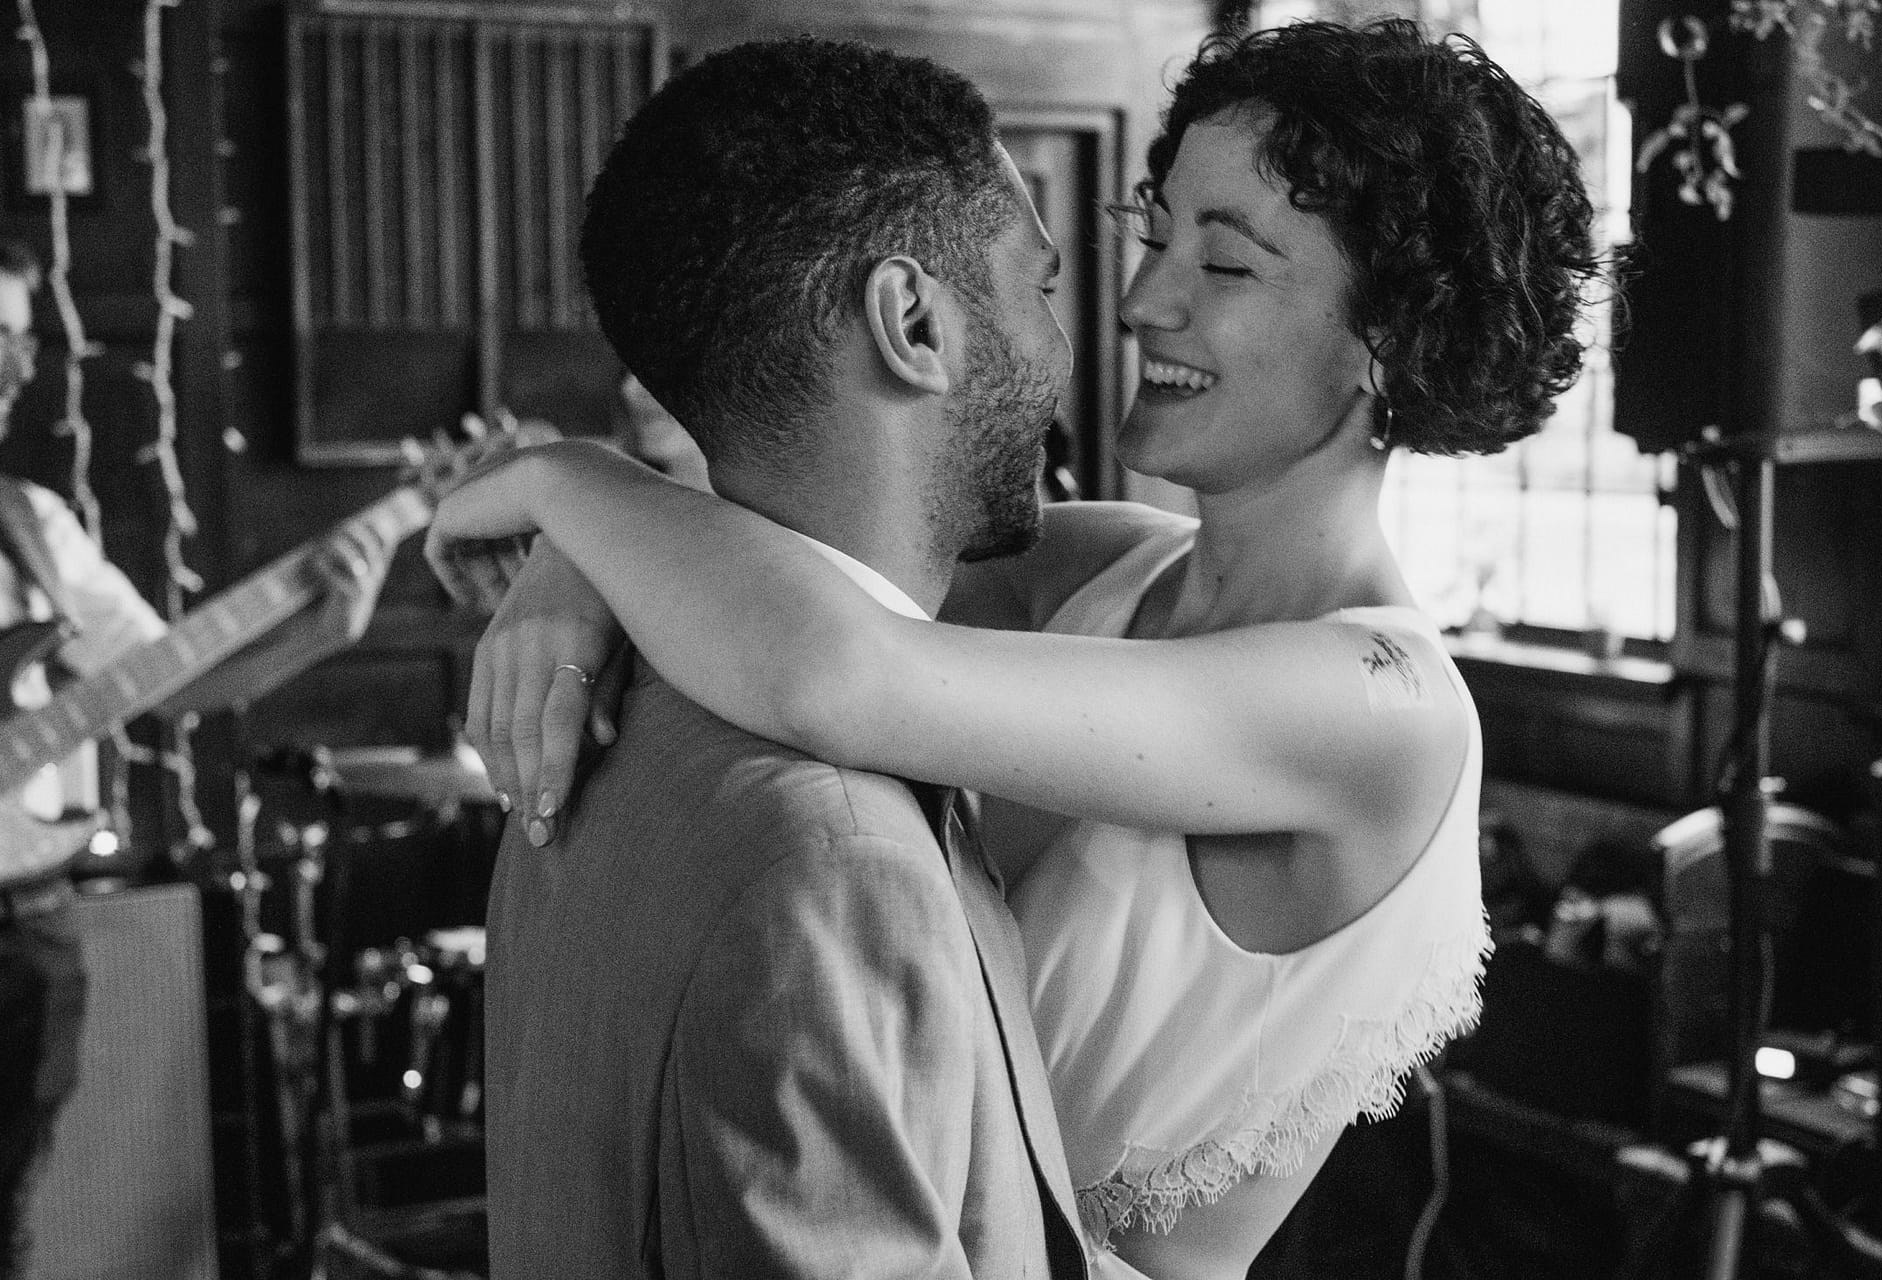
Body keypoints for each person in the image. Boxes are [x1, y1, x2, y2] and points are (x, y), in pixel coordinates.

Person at [432, 19, 1603, 1278]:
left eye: (1229, 264)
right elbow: (787, 545)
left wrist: (562, 480)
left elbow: (839, 671)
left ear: (1391, 339)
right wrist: (573, 569)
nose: (1146, 298)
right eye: (1158, 235)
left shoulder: (1386, 712)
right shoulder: (1108, 564)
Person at [430, 39, 1087, 1278]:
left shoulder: (611, 706)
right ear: (914, 323)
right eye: (1037, 289)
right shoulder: (833, 863)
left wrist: (582, 517)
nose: (1060, 345)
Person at [0, 238, 397, 1279]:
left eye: (17, 340)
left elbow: (162, 683)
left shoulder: (31, 527)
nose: (11, 369)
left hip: (22, 925)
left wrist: (321, 630)